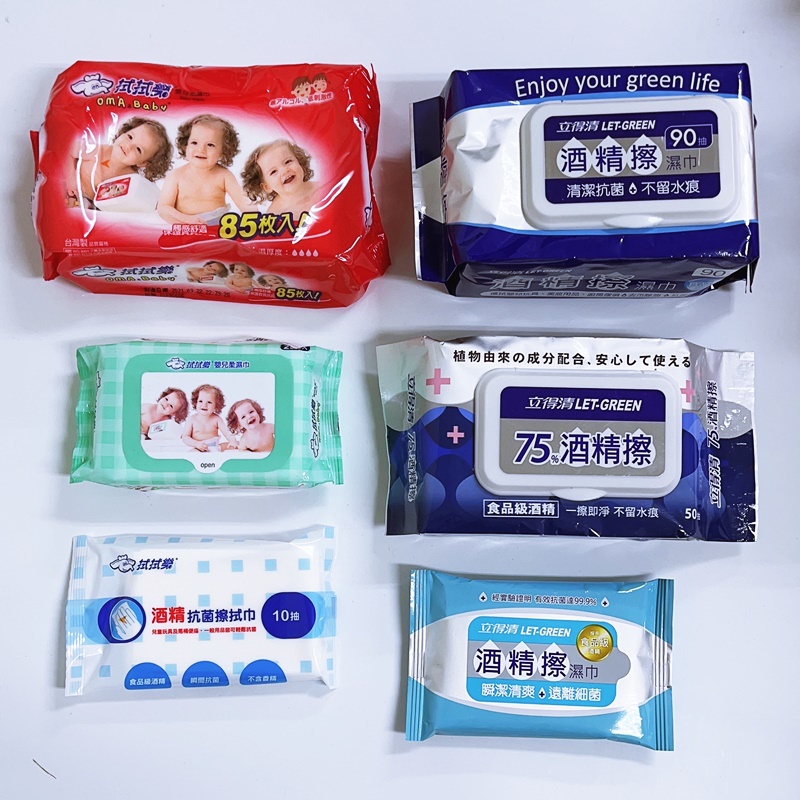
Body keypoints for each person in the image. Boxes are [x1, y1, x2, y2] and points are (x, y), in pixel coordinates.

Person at [157, 114, 255, 224]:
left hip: (217, 223)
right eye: (194, 142)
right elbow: (163, 208)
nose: (201, 150)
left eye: (210, 145)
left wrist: (257, 220)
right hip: (184, 223)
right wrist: (186, 219)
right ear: (185, 145)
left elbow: (244, 203)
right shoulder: (176, 175)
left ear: (224, 151)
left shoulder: (224, 175)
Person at [66, 116, 172, 207]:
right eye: (130, 137)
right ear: (124, 132)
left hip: (90, 203)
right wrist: (70, 178)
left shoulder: (131, 178)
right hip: (71, 187)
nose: (128, 146)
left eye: (138, 149)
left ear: (142, 163)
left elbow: (144, 195)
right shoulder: (98, 151)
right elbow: (67, 149)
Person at [241, 139, 317, 219]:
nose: (285, 170)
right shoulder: (275, 214)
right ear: (267, 186)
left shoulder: (321, 187)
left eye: (288, 161)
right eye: (273, 171)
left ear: (299, 161)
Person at [181, 384, 235, 452]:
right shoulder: (191, 419)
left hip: (215, 446)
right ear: (196, 402)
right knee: (192, 453)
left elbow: (227, 433)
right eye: (200, 401)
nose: (204, 405)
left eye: (209, 402)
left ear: (216, 405)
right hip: (199, 448)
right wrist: (196, 444)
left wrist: (232, 441)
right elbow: (185, 437)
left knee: (237, 445)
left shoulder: (216, 419)